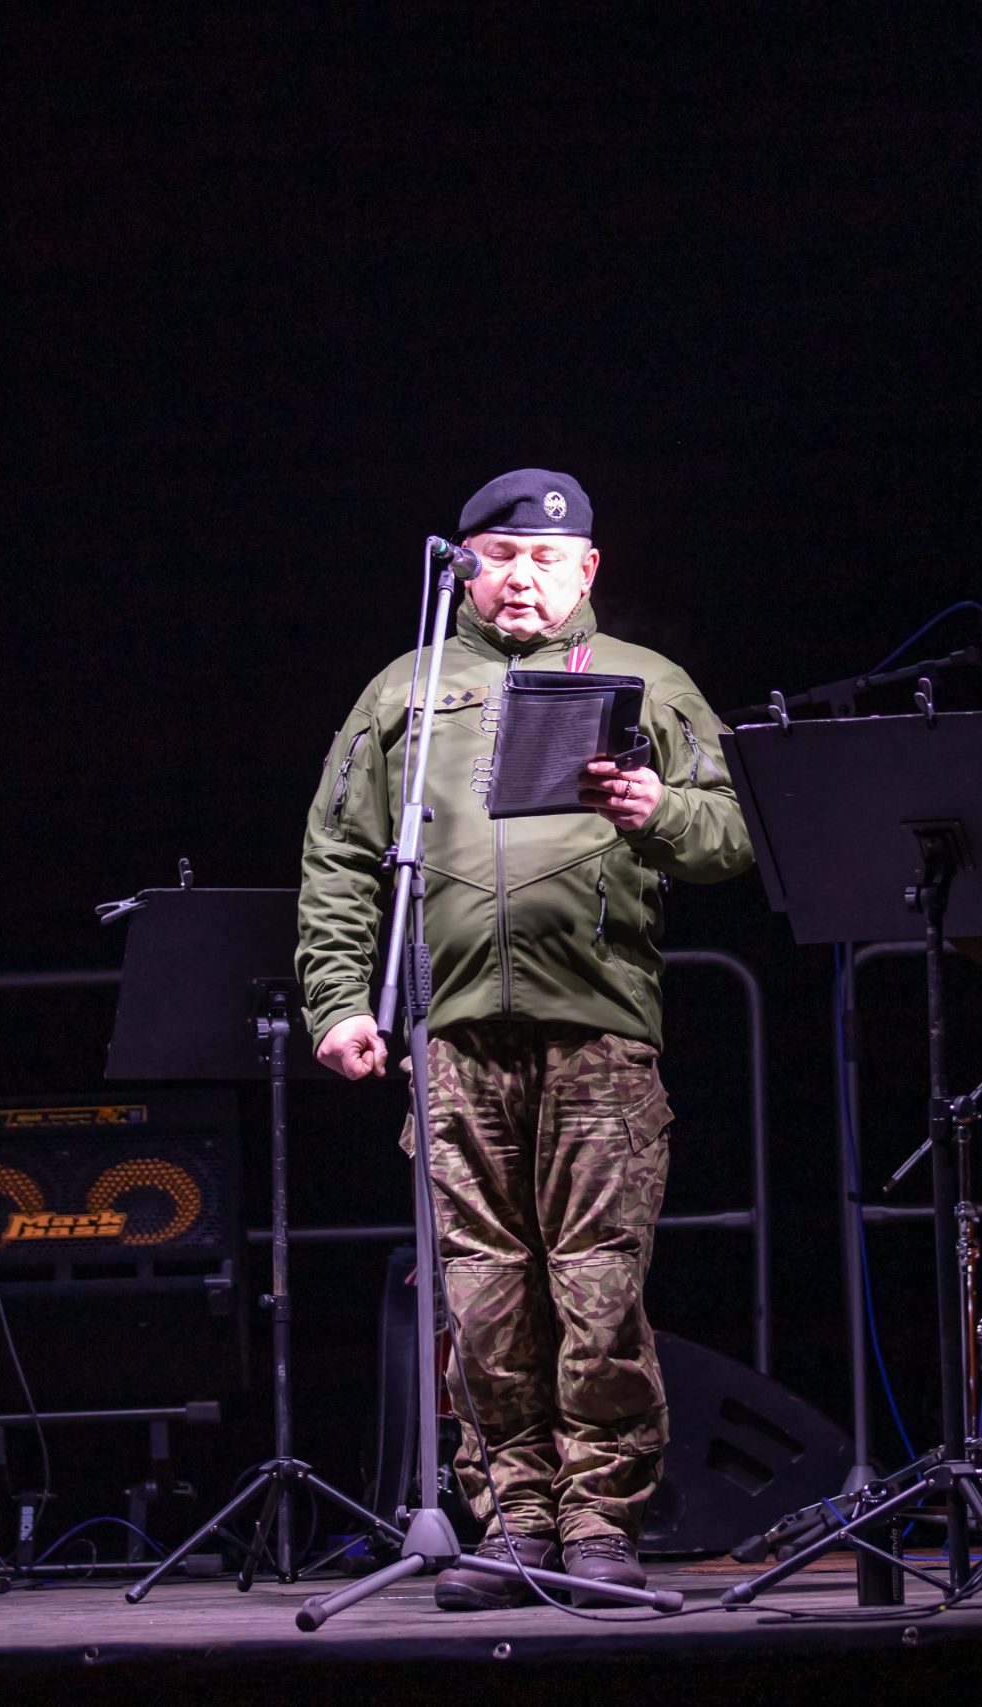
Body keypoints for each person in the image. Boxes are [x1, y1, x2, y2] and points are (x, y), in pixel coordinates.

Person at [295, 469, 755, 1609]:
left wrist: (658, 812)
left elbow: (738, 831)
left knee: (596, 1286)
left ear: (587, 567)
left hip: (597, 1031)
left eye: (547, 559)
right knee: (483, 1296)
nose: (521, 578)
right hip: (452, 1035)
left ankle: (599, 1519)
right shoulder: (405, 689)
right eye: (499, 556)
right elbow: (339, 857)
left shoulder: (647, 680)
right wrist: (340, 1002)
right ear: (464, 565)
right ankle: (513, 1520)